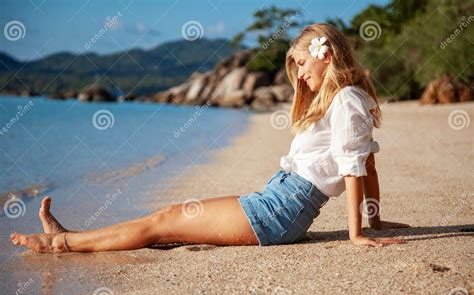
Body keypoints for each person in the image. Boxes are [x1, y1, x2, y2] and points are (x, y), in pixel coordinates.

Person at [10, 23, 409, 253]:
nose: (301, 75)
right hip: (274, 201)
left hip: (281, 213)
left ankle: (60, 244)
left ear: (325, 55)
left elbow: (356, 165)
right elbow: (367, 165)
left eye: (302, 64)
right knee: (166, 222)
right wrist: (373, 220)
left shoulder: (347, 100)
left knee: (164, 221)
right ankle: (68, 239)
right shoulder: (342, 99)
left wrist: (358, 233)